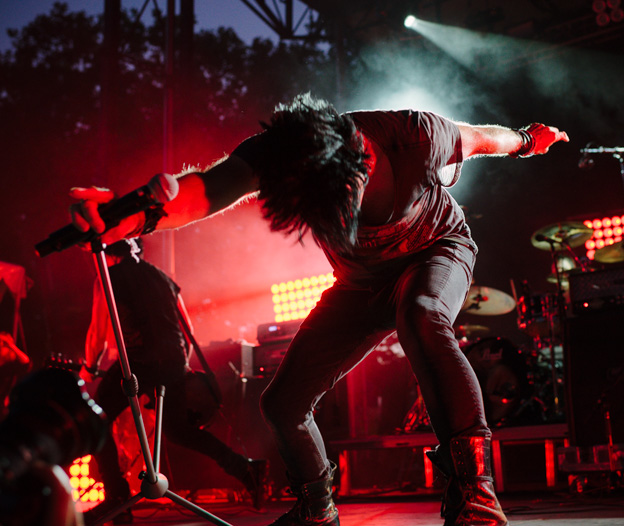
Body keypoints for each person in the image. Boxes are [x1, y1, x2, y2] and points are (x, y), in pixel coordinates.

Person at [70, 93, 569, 526]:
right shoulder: (280, 152)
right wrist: (129, 214)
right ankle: (316, 510)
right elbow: (203, 191)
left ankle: (476, 499)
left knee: (420, 315)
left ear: (365, 160)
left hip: (436, 251)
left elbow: (484, 138)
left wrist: (529, 138)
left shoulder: (417, 135)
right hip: (358, 285)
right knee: (282, 404)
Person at [79, 238, 267, 525]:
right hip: (173, 361)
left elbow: (97, 334)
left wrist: (87, 369)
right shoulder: (162, 277)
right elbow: (187, 329)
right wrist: (178, 369)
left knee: (97, 420)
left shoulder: (108, 276)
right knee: (179, 431)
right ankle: (245, 469)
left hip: (139, 362)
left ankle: (117, 497)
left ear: (106, 253)